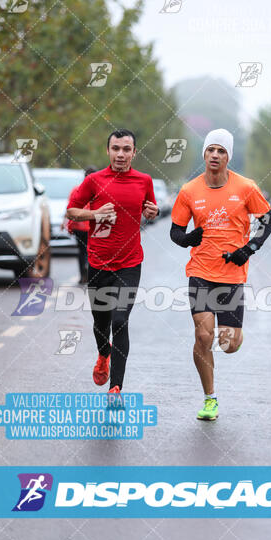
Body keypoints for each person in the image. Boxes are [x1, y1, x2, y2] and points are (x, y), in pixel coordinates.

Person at [170, 128, 271, 421]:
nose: (215, 155)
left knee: (229, 344)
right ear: (204, 154)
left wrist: (249, 248)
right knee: (203, 336)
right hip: (200, 272)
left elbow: (269, 220)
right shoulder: (189, 191)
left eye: (221, 151)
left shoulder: (245, 187)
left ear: (228, 157)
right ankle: (210, 399)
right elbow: (175, 232)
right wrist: (188, 238)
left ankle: (233, 338)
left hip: (232, 276)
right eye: (210, 150)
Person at [66, 129, 158, 394]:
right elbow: (72, 210)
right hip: (98, 262)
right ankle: (103, 354)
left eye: (126, 149)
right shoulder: (94, 181)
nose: (121, 154)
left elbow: (149, 209)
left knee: (120, 322)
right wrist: (94, 214)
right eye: (116, 148)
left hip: (130, 263)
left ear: (134, 152)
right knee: (101, 323)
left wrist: (153, 211)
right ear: (108, 151)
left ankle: (116, 387)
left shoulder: (144, 180)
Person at [63, 166, 98, 284]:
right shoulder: (99, 191)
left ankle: (83, 275)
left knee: (81, 250)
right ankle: (90, 273)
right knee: (91, 251)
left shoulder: (76, 190)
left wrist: (65, 223)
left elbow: (69, 207)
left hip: (78, 226)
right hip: (91, 227)